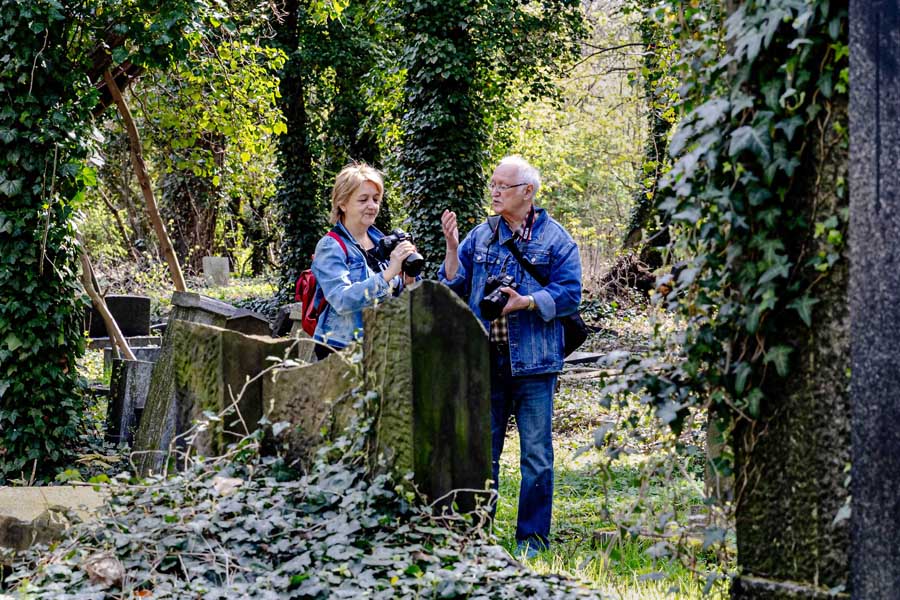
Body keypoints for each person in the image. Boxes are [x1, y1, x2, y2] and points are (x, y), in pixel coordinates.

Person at [438, 155, 582, 558]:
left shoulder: (556, 239)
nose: (495, 192)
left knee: (536, 456)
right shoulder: (480, 236)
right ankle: (476, 536)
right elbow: (452, 285)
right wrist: (452, 247)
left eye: (504, 186)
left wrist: (526, 302)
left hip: (535, 363)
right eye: (493, 185)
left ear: (527, 192)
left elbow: (571, 294)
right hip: (485, 361)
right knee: (483, 453)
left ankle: (532, 542)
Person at [311, 162, 418, 359]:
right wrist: (388, 273)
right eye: (363, 200)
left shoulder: (383, 242)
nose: (372, 206)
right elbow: (342, 300)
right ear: (342, 203)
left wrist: (408, 278)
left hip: (381, 346)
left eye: (376, 199)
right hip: (341, 349)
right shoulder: (330, 246)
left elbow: (398, 299)